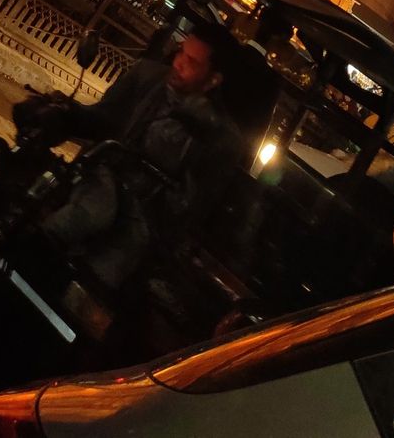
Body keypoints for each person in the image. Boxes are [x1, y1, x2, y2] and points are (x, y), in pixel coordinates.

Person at [13, 26, 243, 288]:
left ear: (213, 80)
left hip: (142, 221)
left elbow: (191, 206)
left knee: (93, 285)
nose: (179, 63)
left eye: (191, 62)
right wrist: (60, 114)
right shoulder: (146, 76)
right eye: (181, 52)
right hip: (97, 181)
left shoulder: (222, 138)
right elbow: (101, 119)